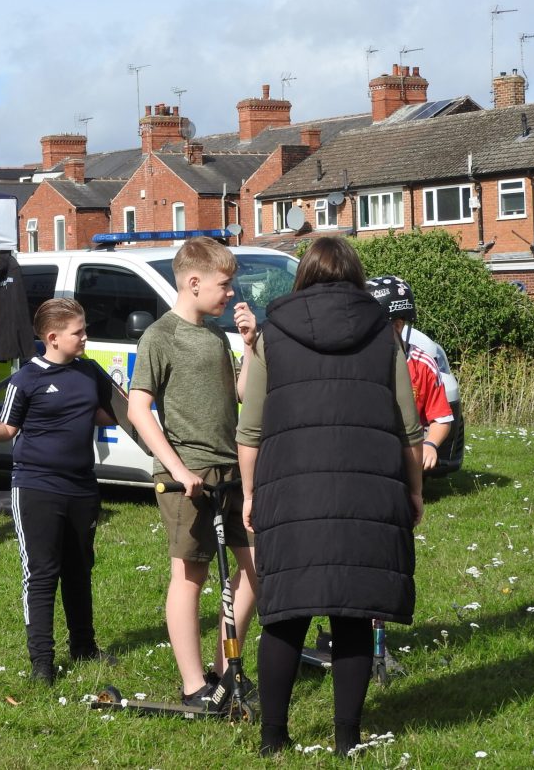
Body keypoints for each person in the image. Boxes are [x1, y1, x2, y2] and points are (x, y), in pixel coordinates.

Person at [236, 238, 423, 758]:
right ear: (356, 277)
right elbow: (409, 426)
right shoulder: (384, 333)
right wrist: (414, 489)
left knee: (285, 614)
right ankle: (347, 739)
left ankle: (273, 738)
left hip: (289, 490)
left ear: (304, 277)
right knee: (354, 612)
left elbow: (250, 429)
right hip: (368, 488)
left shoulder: (272, 334)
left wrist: (249, 492)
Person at [125, 237, 259, 710]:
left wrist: (249, 347)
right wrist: (179, 469)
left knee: (257, 567)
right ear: (195, 282)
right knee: (191, 575)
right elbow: (138, 409)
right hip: (187, 475)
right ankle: (193, 685)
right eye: (225, 284)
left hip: (230, 468)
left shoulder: (216, 336)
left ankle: (226, 671)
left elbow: (240, 394)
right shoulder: (160, 336)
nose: (231, 293)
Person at [0, 298, 118, 684]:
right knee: (42, 573)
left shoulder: (90, 372)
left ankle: (84, 646)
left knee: (79, 569)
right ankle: (42, 662)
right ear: (53, 337)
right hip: (37, 487)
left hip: (82, 487)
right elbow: (6, 430)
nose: (85, 337)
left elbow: (107, 414)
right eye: (78, 332)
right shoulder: (26, 380)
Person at [366, 276, 453, 473]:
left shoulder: (422, 364)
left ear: (397, 325)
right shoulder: (358, 361)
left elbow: (441, 418)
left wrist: (430, 444)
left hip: (409, 447)